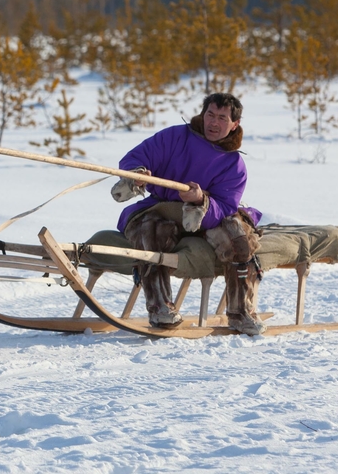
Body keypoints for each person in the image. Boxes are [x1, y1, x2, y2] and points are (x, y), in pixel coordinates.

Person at [108, 92, 265, 334]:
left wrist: (201, 200)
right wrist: (138, 174)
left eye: (222, 118)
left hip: (206, 218)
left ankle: (240, 313)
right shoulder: (175, 137)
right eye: (209, 115)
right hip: (161, 207)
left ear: (235, 124)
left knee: (237, 236)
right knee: (152, 231)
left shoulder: (234, 165)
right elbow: (135, 158)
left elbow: (225, 206)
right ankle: (161, 309)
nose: (213, 123)